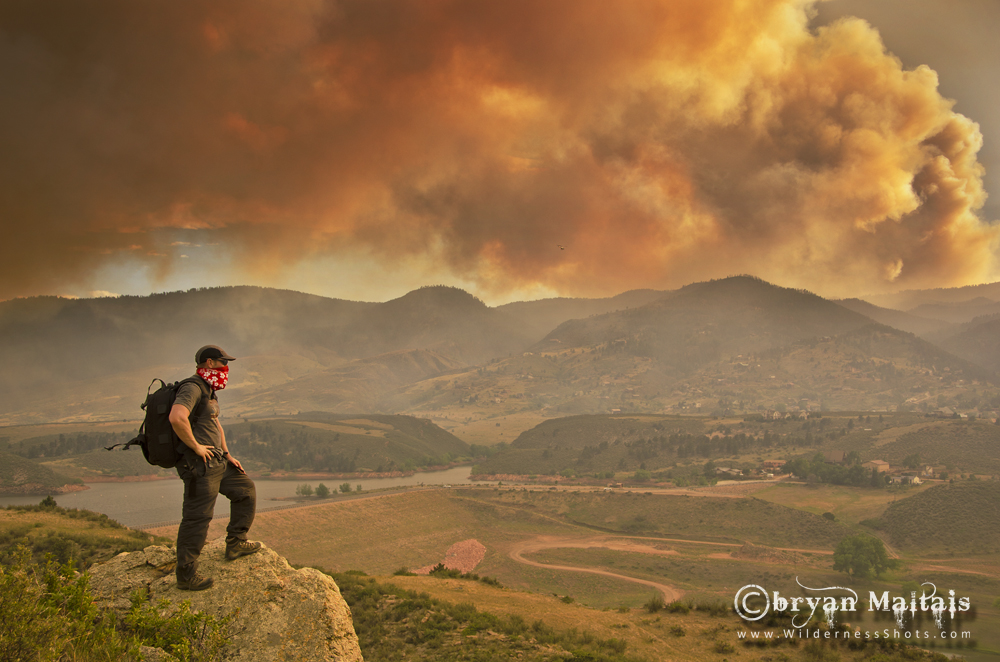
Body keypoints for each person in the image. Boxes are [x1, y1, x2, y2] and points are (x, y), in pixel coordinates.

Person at [169, 345, 260, 591]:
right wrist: (197, 447)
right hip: (199, 464)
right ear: (209, 363)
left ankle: (236, 542)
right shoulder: (192, 387)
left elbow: (215, 425)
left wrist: (228, 454)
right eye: (222, 362)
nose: (226, 367)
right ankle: (186, 575)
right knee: (198, 518)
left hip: (218, 460)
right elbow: (176, 417)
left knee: (245, 490)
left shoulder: (209, 390)